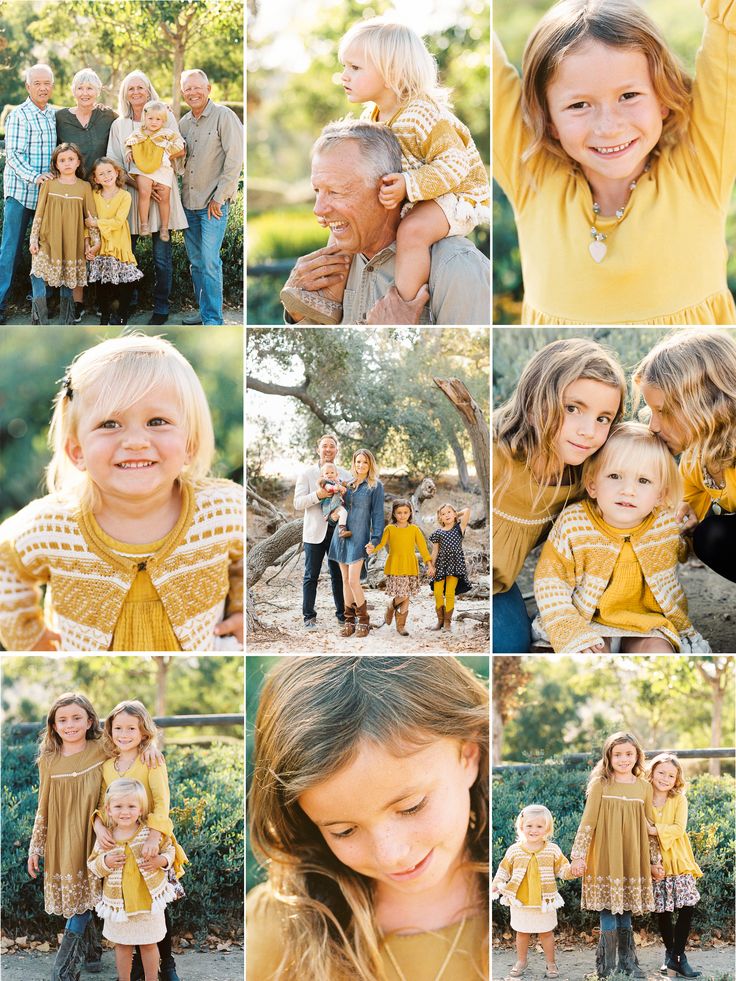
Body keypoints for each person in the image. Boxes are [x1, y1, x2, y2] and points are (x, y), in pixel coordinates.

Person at [493, 0, 736, 325]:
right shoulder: (532, 175)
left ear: (662, 97)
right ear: (549, 119)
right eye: (579, 105)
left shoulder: (700, 167)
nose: (609, 126)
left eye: (629, 96)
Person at [247, 655, 489, 980]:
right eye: (344, 831)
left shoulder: (516, 901)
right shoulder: (275, 926)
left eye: (411, 807)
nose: (391, 855)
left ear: (469, 753)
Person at [0, 334, 243, 652]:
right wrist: (30, 640)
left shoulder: (223, 510)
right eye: (110, 424)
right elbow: (7, 564)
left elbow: (249, 558)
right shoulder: (51, 525)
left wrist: (243, 609)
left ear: (190, 445)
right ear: (77, 451)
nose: (136, 441)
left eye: (157, 421)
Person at [282, 19, 489, 322]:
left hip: (456, 194)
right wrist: (299, 313)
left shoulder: (422, 113)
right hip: (420, 191)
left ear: (391, 71)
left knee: (412, 231)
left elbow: (456, 165)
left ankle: (402, 305)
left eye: (355, 68)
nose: (343, 76)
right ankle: (325, 302)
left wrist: (409, 184)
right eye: (345, 67)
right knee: (338, 233)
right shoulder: (372, 117)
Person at [280, 118, 491, 325]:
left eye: (335, 192)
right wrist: (298, 312)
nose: (319, 209)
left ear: (387, 188)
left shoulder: (456, 267)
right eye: (317, 191)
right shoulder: (335, 261)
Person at [493, 338, 626, 653]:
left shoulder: (584, 478)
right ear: (537, 398)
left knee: (512, 644)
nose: (588, 431)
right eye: (572, 408)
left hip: (498, 584)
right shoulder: (498, 457)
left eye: (603, 418)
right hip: (465, 576)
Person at [533, 423, 711, 653]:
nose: (628, 490)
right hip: (587, 621)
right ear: (592, 484)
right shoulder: (574, 524)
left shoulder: (666, 524)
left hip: (648, 623)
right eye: (615, 476)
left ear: (660, 495)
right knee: (589, 657)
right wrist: (570, 628)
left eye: (643, 481)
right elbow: (550, 581)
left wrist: (692, 530)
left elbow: (687, 547)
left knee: (657, 653)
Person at [27, 692, 162, 981]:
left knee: (101, 894)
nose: (70, 725)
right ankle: (88, 956)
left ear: (90, 721)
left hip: (103, 836)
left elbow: (130, 737)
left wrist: (152, 745)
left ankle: (65, 969)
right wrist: (35, 847)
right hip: (64, 838)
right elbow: (43, 804)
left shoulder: (101, 748)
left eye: (77, 718)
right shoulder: (48, 760)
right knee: (81, 900)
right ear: (53, 725)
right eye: (62, 719)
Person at [92, 701, 186, 981]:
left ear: (143, 731)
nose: (124, 733)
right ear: (109, 731)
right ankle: (132, 971)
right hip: (118, 838)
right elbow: (100, 803)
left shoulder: (151, 760)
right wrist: (98, 826)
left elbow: (162, 802)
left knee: (155, 906)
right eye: (118, 728)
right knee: (127, 902)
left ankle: (165, 965)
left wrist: (155, 837)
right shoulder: (108, 766)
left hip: (148, 838)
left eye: (131, 728)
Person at [633, 329, 736, 585]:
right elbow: (682, 520)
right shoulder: (695, 460)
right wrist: (682, 529)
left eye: (664, 411)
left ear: (705, 404)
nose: (653, 426)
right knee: (711, 535)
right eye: (651, 410)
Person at [569, 731, 663, 979]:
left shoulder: (644, 787)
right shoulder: (601, 784)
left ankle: (628, 963)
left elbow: (650, 826)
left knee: (627, 909)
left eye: (629, 754)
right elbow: (587, 822)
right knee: (608, 909)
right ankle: (607, 967)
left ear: (637, 756)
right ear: (608, 757)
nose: (624, 759)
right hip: (605, 856)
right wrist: (578, 856)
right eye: (618, 754)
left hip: (633, 856)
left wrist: (655, 861)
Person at [107, 71, 188, 325]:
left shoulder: (165, 116)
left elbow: (180, 148)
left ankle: (161, 306)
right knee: (126, 254)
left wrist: (155, 169)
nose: (136, 92)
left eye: (140, 87)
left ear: (148, 89)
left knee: (162, 256)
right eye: (131, 89)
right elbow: (114, 161)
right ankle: (127, 303)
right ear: (125, 94)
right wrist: (137, 180)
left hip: (161, 189)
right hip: (132, 194)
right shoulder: (119, 125)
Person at [88, 778, 177, 981]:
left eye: (131, 806)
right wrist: (106, 861)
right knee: (123, 945)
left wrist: (160, 861)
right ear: (108, 810)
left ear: (140, 809)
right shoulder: (107, 838)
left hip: (148, 903)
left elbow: (170, 851)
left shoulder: (149, 834)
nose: (125, 811)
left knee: (149, 944)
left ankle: (152, 978)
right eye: (118, 806)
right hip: (120, 906)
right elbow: (93, 865)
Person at [178, 69, 244, 326]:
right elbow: (180, 165)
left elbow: (235, 159)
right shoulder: (183, 123)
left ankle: (213, 320)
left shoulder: (223, 116)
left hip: (213, 205)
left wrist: (220, 198)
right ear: (183, 93)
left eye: (197, 87)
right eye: (187, 89)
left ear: (208, 89)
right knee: (196, 263)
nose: (192, 93)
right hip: (189, 204)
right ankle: (203, 312)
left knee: (209, 261)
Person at [492, 805, 576, 979]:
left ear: (547, 828)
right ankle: (521, 961)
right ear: (521, 827)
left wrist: (573, 871)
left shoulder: (552, 850)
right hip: (520, 901)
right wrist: (497, 882)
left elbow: (563, 869)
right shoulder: (514, 850)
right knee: (522, 932)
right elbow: (503, 870)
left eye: (539, 826)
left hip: (544, 902)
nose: (534, 830)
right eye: (529, 826)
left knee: (546, 933)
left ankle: (551, 963)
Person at [0, 64, 56, 325]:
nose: (43, 87)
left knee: (41, 250)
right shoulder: (19, 115)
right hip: (21, 193)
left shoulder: (53, 114)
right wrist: (36, 176)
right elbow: (13, 156)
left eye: (47, 83)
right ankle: (1, 303)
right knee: (10, 250)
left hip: (45, 197)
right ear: (28, 86)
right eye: (38, 83)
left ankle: (40, 307)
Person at [645, 753, 703, 979]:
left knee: (688, 904)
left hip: (678, 857)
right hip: (655, 859)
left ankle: (677, 956)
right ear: (652, 772)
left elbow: (679, 828)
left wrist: (654, 829)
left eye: (671, 775)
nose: (665, 778)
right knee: (664, 909)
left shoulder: (679, 799)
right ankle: (673, 958)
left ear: (677, 778)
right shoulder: (643, 795)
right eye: (661, 772)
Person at [29, 142, 98, 324]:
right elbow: (39, 213)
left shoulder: (84, 187)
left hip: (71, 243)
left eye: (71, 159)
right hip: (46, 239)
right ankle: (39, 317)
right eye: (62, 160)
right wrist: (33, 239)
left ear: (78, 163)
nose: (66, 163)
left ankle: (66, 320)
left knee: (68, 278)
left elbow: (91, 219)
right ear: (56, 164)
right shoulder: (49, 185)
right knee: (37, 273)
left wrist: (94, 243)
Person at [293, 433, 352, 631]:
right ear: (318, 449)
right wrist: (318, 495)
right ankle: (309, 616)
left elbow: (351, 501)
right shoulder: (307, 474)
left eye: (331, 446)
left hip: (337, 532)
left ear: (337, 450)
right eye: (324, 446)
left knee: (338, 575)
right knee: (311, 575)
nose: (328, 449)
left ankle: (343, 614)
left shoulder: (345, 474)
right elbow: (298, 503)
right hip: (314, 532)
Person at [328, 448, 385, 637]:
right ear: (354, 463)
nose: (361, 465)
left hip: (359, 537)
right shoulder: (347, 484)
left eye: (365, 462)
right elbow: (336, 506)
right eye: (358, 462)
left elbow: (377, 515)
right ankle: (349, 621)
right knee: (345, 580)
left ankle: (364, 620)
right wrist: (333, 516)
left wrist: (375, 540)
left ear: (370, 465)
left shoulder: (375, 486)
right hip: (341, 536)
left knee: (354, 580)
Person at [86, 156, 143, 325]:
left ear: (117, 172)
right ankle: (105, 315)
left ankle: (122, 314)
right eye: (101, 174)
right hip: (101, 244)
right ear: (95, 179)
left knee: (125, 280)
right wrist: (90, 241)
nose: (106, 176)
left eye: (109, 171)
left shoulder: (125, 196)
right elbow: (88, 221)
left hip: (119, 243)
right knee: (103, 283)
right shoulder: (94, 196)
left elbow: (118, 221)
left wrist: (97, 222)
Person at [365, 498, 434, 636]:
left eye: (405, 512)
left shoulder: (414, 529)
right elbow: (381, 544)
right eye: (399, 512)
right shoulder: (390, 529)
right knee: (402, 594)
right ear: (394, 514)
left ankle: (400, 625)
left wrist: (429, 564)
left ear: (410, 513)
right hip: (395, 565)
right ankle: (391, 606)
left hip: (410, 566)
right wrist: (371, 548)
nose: (402, 515)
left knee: (406, 596)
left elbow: (423, 548)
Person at [125, 100, 186, 240]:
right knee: (144, 193)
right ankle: (144, 224)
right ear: (144, 119)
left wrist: (166, 150)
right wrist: (128, 152)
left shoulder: (167, 133)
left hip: (162, 168)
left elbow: (179, 145)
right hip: (143, 167)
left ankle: (164, 227)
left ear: (163, 121)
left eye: (158, 119)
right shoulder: (138, 133)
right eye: (150, 118)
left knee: (164, 198)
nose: (154, 122)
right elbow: (128, 143)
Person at [55, 68, 118, 177]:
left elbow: (125, 127)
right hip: (72, 187)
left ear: (97, 91)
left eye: (90, 88)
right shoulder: (60, 118)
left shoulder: (107, 115)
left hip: (101, 186)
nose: (85, 93)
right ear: (74, 91)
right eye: (80, 88)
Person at [428, 503, 472, 633]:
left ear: (454, 514)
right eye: (443, 514)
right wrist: (431, 566)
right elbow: (435, 551)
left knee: (449, 593)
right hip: (441, 565)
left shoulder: (459, 528)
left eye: (449, 512)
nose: (446, 515)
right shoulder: (437, 533)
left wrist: (455, 515)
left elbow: (467, 510)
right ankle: (440, 621)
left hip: (455, 564)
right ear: (439, 518)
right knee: (437, 592)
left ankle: (447, 622)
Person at [317, 461, 351, 537]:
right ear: (323, 475)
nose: (329, 475)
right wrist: (338, 488)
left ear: (336, 474)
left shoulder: (337, 482)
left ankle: (342, 530)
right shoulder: (325, 483)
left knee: (344, 512)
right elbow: (330, 489)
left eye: (332, 472)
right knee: (342, 512)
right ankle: (340, 528)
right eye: (327, 473)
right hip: (329, 506)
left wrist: (343, 488)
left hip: (336, 505)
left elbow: (343, 488)